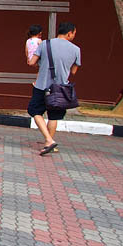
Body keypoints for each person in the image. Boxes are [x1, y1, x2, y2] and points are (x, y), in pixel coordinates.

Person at [27, 22, 81, 156]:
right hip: (60, 88)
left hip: (41, 85)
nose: (74, 35)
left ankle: (49, 140)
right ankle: (48, 143)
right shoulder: (76, 49)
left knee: (35, 111)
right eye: (74, 33)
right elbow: (74, 71)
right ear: (69, 33)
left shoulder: (45, 44)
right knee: (54, 116)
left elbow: (32, 62)